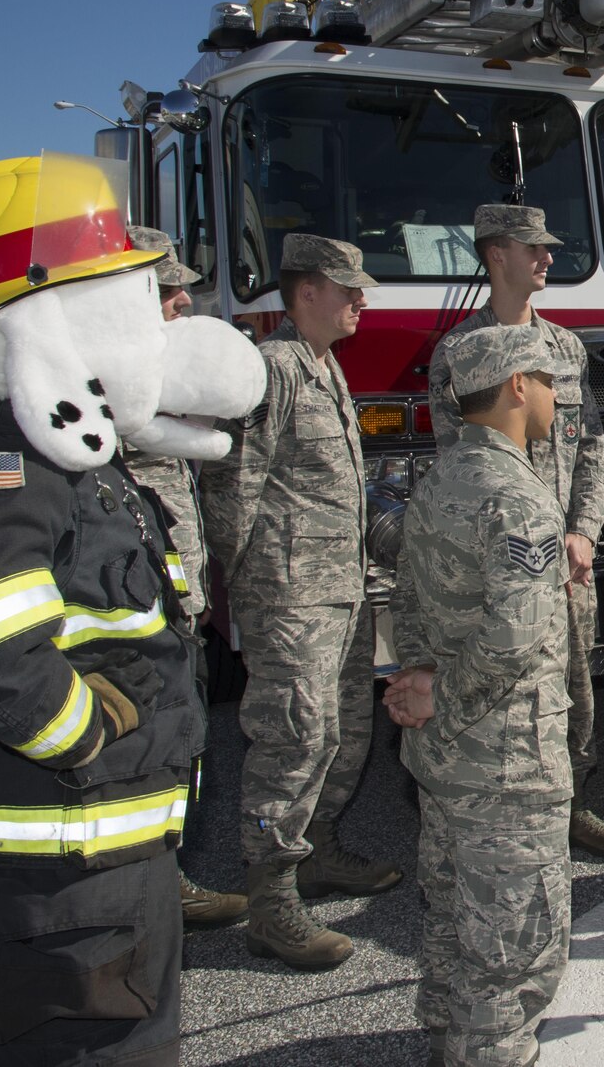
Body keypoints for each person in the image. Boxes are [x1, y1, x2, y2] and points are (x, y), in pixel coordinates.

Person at [0, 155, 264, 1064]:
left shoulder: (49, 451)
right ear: (42, 316)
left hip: (91, 873)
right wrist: (83, 736)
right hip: (59, 882)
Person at [202, 232, 401, 970]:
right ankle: (272, 900)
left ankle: (315, 852)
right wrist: (252, 589)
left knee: (346, 731)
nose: (361, 299)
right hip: (291, 598)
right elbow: (233, 491)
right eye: (348, 287)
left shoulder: (325, 367)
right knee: (293, 738)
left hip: (341, 591)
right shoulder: (275, 368)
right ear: (305, 291)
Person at [386, 324, 573, 1067]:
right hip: (509, 765)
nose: (559, 396)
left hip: (444, 761)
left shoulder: (439, 478)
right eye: (549, 381)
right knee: (515, 955)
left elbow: (407, 600)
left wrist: (419, 682)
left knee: (454, 931)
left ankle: (451, 1047)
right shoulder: (518, 498)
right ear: (516, 387)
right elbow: (516, 635)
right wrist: (442, 694)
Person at [424, 203, 604, 860]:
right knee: (492, 683)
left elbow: (594, 449)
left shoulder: (566, 350)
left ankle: (571, 803)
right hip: (496, 567)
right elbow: (456, 470)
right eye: (532, 247)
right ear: (495, 255)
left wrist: (583, 532)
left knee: (574, 683)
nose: (546, 256)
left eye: (547, 246)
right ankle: (489, 815)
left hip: (566, 563)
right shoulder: (458, 354)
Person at [123, 224, 247, 930]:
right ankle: (142, 888)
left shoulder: (154, 392)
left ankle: (161, 877)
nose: (181, 302)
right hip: (133, 620)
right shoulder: (92, 409)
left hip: (173, 607)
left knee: (179, 744)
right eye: (164, 290)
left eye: (180, 289)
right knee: (144, 752)